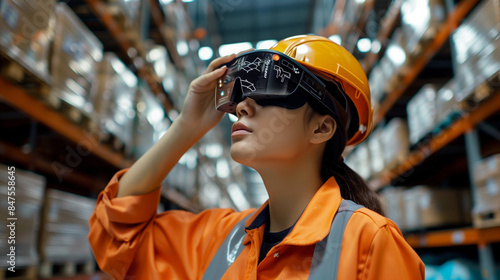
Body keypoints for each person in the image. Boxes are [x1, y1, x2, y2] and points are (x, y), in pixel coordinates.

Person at [88, 35, 425, 280]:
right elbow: (116, 235)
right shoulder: (219, 238)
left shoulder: (369, 242)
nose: (243, 106)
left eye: (272, 87)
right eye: (242, 94)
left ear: (321, 129)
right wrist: (186, 127)